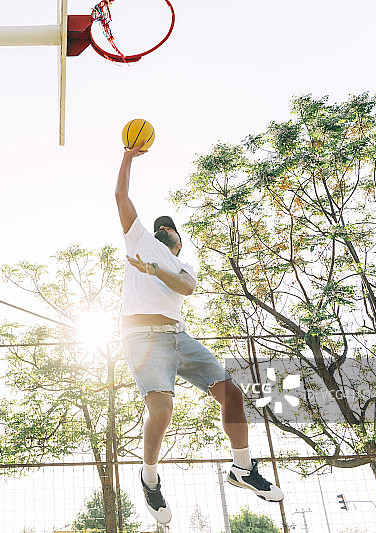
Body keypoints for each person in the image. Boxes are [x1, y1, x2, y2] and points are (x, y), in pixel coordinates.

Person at [115, 143, 284, 525]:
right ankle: (150, 478)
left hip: (179, 337)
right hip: (142, 338)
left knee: (233, 394)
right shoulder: (138, 239)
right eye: (158, 226)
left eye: (169, 227)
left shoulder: (183, 265)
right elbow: (121, 195)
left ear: (177, 240)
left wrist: (156, 271)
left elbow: (186, 288)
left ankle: (242, 469)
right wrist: (128, 155)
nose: (162, 229)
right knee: (162, 409)